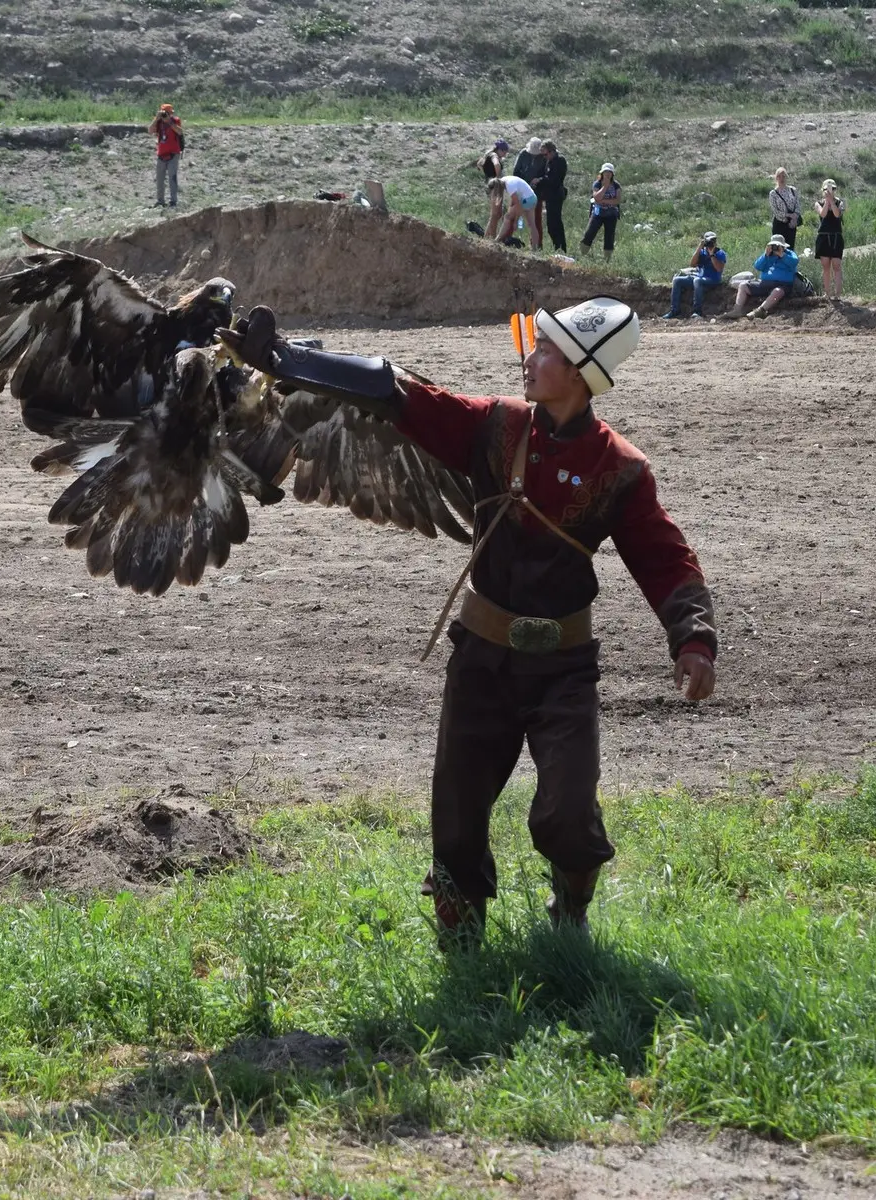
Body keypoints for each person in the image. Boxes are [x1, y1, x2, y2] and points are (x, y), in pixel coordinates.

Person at [220, 297, 717, 950]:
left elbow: (663, 556)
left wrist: (693, 638)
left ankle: (571, 913)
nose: (529, 358)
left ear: (579, 373)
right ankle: (462, 951)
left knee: (569, 816)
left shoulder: (620, 468)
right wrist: (284, 359)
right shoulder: (493, 426)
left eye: (546, 350)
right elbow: (394, 391)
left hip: (563, 671)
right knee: (456, 822)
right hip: (481, 659)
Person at [726, 234, 800, 319]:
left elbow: (794, 262)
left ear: (783, 246)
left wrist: (782, 255)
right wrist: (765, 255)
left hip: (783, 284)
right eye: (773, 246)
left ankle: (760, 311)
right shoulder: (768, 256)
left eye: (778, 246)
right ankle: (737, 310)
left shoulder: (790, 254)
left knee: (777, 291)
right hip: (764, 283)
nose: (775, 248)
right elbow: (758, 266)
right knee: (743, 285)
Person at [663, 232, 727, 319]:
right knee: (677, 280)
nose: (711, 243)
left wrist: (712, 254)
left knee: (697, 281)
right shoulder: (702, 252)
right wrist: (699, 248)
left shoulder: (720, 253)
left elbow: (719, 269)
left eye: (713, 241)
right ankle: (675, 310)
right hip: (699, 277)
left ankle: (697, 311)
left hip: (713, 279)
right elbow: (692, 264)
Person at [486, 175, 543, 251]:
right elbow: (514, 200)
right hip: (532, 198)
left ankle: (497, 241)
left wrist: (516, 221)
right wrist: (511, 208)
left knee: (508, 217)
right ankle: (534, 249)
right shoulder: (504, 180)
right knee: (532, 225)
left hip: (526, 200)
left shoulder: (510, 186)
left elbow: (518, 205)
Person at [813, 179, 846, 300]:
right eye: (827, 189)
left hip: (836, 236)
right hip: (824, 236)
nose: (830, 191)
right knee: (826, 266)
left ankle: (837, 294)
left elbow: (837, 214)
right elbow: (823, 214)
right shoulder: (818, 203)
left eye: (832, 189)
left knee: (837, 265)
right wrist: (827, 201)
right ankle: (827, 293)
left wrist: (832, 201)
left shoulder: (840, 202)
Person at [581, 163, 622, 262]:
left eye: (609, 172)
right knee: (589, 234)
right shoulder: (597, 184)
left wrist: (603, 201)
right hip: (598, 213)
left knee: (609, 237)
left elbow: (617, 200)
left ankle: (607, 260)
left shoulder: (616, 185)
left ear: (612, 174)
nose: (607, 174)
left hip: (611, 214)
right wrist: (605, 187)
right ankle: (583, 255)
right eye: (605, 172)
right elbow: (596, 197)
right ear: (602, 173)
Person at [535, 139, 570, 253]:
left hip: (556, 195)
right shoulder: (549, 161)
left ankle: (561, 248)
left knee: (555, 224)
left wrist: (540, 180)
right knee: (551, 225)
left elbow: (554, 180)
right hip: (549, 196)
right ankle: (557, 247)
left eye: (546, 154)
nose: (544, 157)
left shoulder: (560, 161)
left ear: (552, 151)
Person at [149, 103, 183, 207]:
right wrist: (156, 119)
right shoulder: (159, 122)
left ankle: (173, 201)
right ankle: (160, 201)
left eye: (168, 113)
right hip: (161, 154)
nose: (166, 115)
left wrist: (169, 122)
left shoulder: (175, 120)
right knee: (160, 179)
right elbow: (150, 131)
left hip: (173, 153)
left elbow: (180, 132)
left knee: (172, 178)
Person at [769, 167, 801, 249]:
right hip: (779, 224)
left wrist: (795, 218)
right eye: (779, 176)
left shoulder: (793, 190)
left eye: (783, 176)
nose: (781, 179)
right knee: (778, 248)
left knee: (790, 248)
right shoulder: (773, 193)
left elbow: (797, 205)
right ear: (776, 178)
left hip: (791, 224)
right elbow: (775, 211)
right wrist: (788, 215)